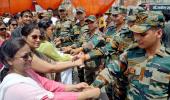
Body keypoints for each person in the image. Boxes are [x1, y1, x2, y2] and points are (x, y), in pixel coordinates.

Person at [91, 11, 170, 99]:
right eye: (135, 33)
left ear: (159, 33)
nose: (136, 38)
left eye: (143, 34)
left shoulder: (167, 61)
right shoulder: (130, 54)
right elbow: (110, 71)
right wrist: (92, 87)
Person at [0, 38, 101, 100]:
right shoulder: (17, 87)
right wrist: (85, 95)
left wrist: (75, 87)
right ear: (9, 60)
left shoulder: (26, 71)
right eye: (25, 56)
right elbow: (51, 98)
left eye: (30, 54)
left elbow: (46, 83)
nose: (30, 59)